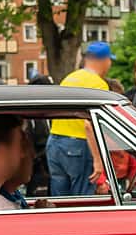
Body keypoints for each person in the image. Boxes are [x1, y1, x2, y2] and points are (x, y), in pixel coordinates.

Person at [48, 42, 113, 196]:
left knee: (60, 201)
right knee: (82, 198)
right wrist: (98, 160)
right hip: (78, 145)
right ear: (104, 60)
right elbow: (89, 125)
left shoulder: (69, 79)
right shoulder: (98, 84)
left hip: (54, 143)